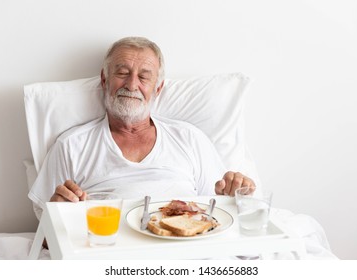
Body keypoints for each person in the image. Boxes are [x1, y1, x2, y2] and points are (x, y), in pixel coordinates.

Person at [28, 37, 256, 219]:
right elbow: (47, 240)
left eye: (144, 77)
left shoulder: (189, 138)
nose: (132, 84)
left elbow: (221, 214)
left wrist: (237, 196)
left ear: (158, 88)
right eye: (122, 73)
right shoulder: (71, 145)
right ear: (105, 80)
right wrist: (56, 215)